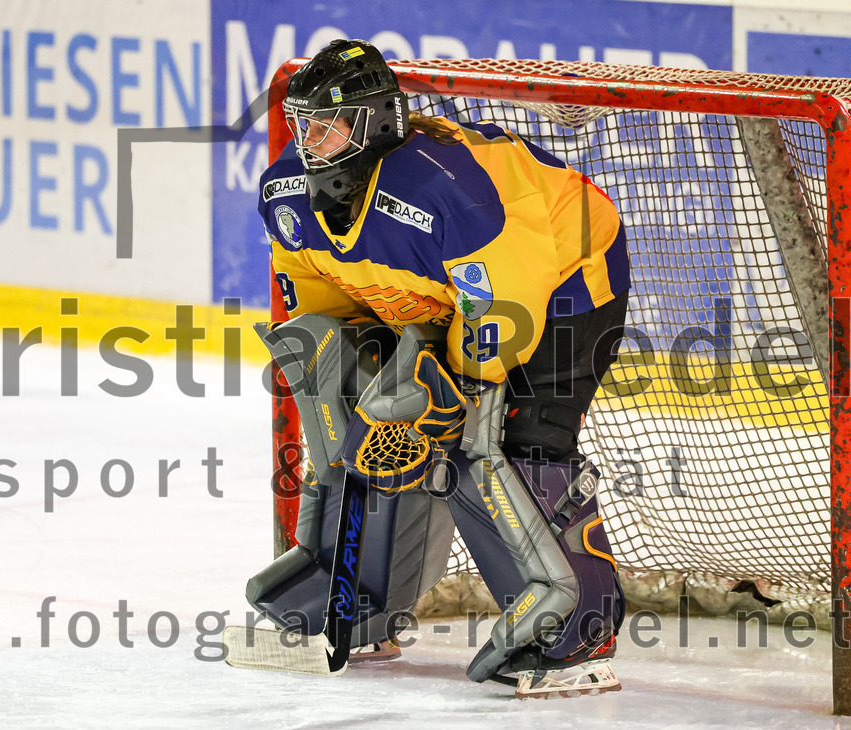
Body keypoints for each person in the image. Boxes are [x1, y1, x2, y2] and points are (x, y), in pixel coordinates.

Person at [251, 38, 629, 698]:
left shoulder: (444, 195)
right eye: (305, 125)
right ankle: (364, 604)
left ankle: (578, 626)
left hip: (567, 273)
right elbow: (314, 304)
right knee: (365, 418)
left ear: (376, 125)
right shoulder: (288, 193)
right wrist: (359, 386)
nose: (312, 141)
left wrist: (458, 385)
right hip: (450, 294)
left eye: (330, 126)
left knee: (512, 443)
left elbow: (502, 302)